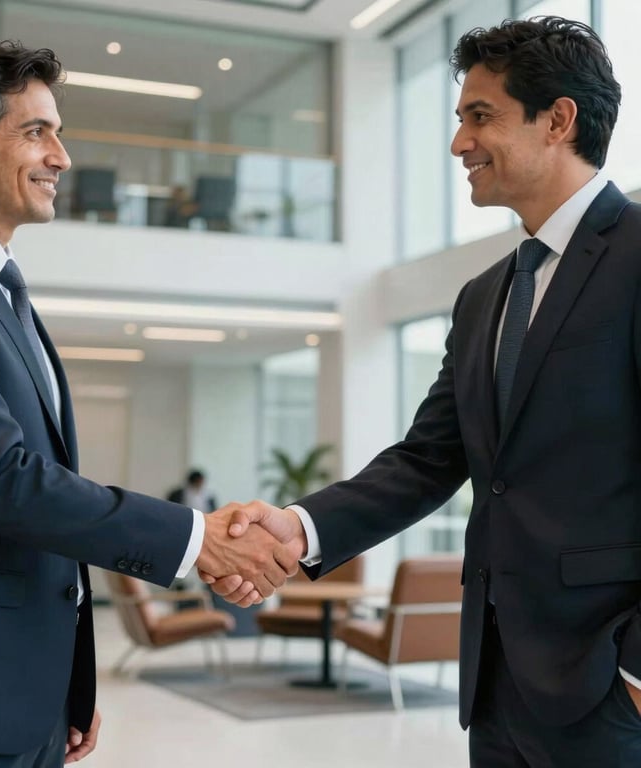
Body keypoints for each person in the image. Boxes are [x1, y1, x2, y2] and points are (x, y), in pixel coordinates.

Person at [205, 16, 641, 765]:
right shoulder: (484, 295)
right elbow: (428, 459)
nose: (458, 144)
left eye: (481, 117)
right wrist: (299, 530)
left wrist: (635, 665)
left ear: (558, 120)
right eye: (458, 119)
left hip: (608, 688)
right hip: (494, 684)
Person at [0, 38, 299, 767]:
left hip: (11, 696)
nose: (61, 157)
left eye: (58, 133)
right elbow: (2, 483)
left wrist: (61, 683)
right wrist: (200, 540)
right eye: (36, 131)